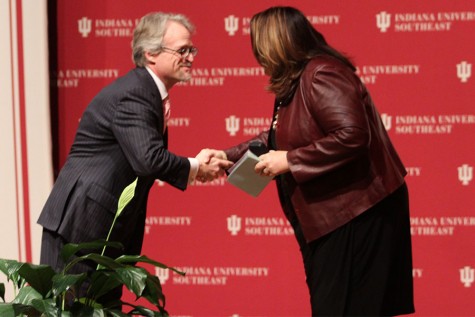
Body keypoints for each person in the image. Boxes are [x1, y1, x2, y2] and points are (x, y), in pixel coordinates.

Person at [204, 6, 415, 316]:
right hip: (337, 218)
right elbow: (281, 136)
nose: (256, 54)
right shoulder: (298, 79)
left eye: (259, 44)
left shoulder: (321, 73)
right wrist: (228, 155)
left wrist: (290, 160)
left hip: (357, 214)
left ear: (276, 43)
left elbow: (353, 135)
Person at [37, 12, 232, 304]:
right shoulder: (137, 93)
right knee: (75, 310)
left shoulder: (146, 91)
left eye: (192, 50)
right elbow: (149, 159)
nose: (191, 57)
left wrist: (196, 167)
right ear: (151, 53)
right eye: (182, 50)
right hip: (83, 228)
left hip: (101, 229)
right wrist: (196, 167)